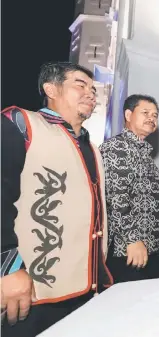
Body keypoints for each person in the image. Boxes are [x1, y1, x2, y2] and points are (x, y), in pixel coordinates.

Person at [1, 62, 112, 336]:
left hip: (86, 290)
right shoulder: (22, 123)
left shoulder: (92, 147)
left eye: (92, 88)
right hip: (31, 290)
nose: (90, 93)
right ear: (51, 89)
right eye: (79, 84)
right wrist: (6, 267)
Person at [99, 94, 159, 282]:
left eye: (155, 115)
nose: (151, 118)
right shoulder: (116, 148)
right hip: (128, 250)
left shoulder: (144, 152)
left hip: (151, 248)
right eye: (145, 112)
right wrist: (132, 240)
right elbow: (117, 198)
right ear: (128, 115)